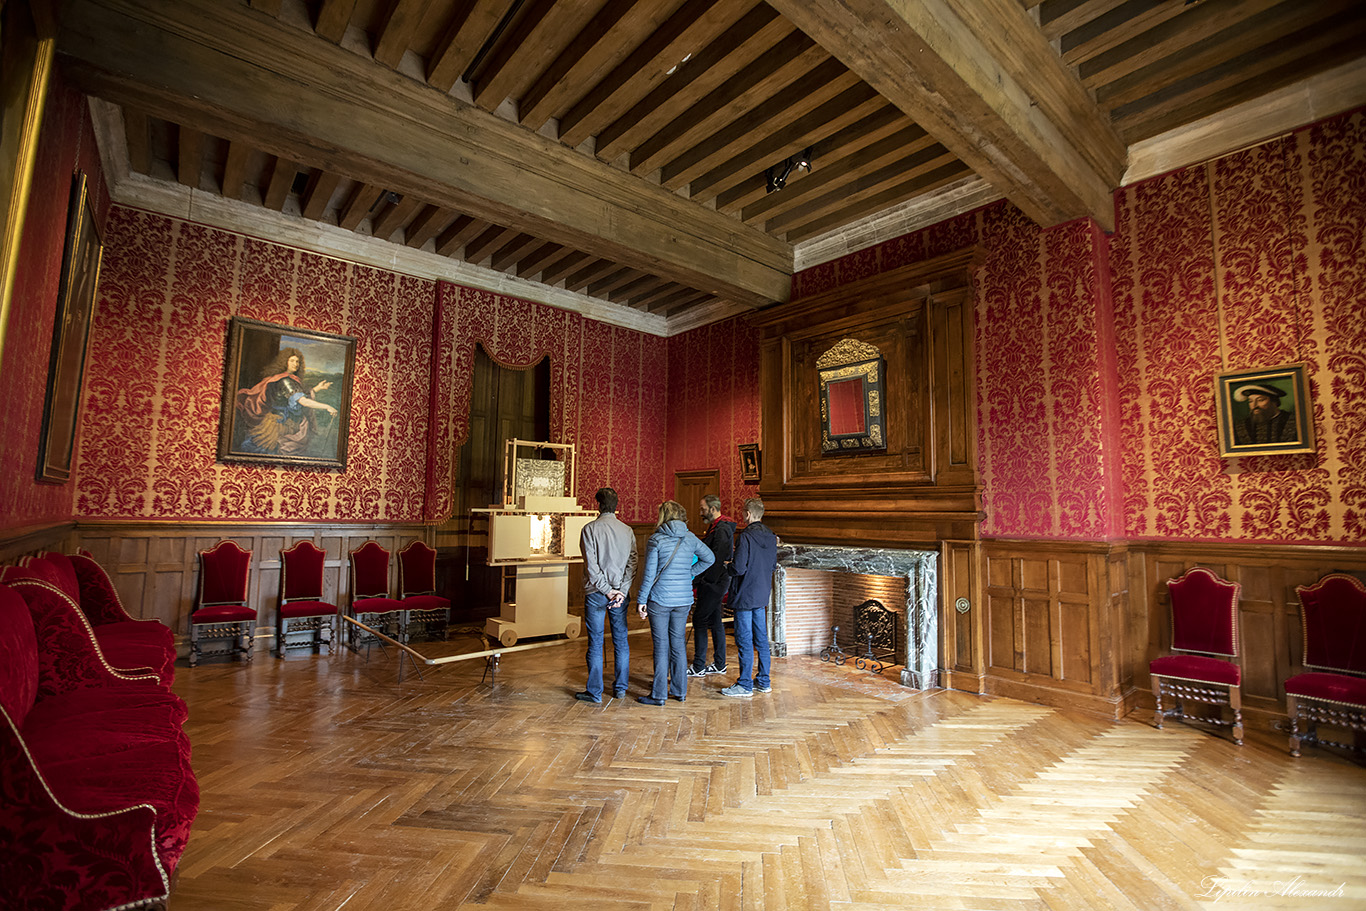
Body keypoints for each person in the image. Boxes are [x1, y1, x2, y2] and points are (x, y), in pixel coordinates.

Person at [634, 500, 713, 706]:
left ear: (663, 516)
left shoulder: (656, 539)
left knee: (661, 646)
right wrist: (689, 575)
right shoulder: (691, 538)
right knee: (678, 644)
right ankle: (680, 691)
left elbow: (649, 574)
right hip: (683, 599)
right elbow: (710, 558)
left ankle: (659, 695)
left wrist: (641, 600)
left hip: (659, 599)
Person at [576, 487, 638, 703]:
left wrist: (608, 590)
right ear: (616, 506)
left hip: (596, 593)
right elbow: (632, 563)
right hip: (620, 594)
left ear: (598, 505)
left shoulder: (589, 529)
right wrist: (620, 590)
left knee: (595, 642)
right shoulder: (627, 530)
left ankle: (594, 692)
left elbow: (592, 568)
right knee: (621, 640)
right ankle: (620, 689)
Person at [722, 498, 778, 698]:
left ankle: (745, 684)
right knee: (761, 640)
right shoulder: (772, 537)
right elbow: (772, 566)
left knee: (744, 640)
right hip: (762, 594)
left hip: (745, 594)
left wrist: (728, 565)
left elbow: (739, 568)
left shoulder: (745, 536)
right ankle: (763, 681)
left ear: (747, 513)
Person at [236, 348, 338, 455]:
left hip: (289, 421)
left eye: (297, 361)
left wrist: (317, 388)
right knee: (269, 451)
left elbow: (297, 396)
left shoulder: (290, 379)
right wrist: (326, 406)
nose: (295, 364)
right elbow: (302, 400)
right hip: (279, 423)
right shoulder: (285, 380)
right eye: (292, 361)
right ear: (285, 362)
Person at [688, 495, 734, 677]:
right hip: (714, 582)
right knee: (715, 622)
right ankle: (719, 664)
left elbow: (715, 560)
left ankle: (699, 666)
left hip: (714, 582)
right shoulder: (718, 527)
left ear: (713, 509)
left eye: (703, 509)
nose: (701, 513)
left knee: (699, 620)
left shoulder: (721, 530)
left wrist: (702, 580)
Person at [1232, 383, 1298, 446]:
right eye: (1250, 401)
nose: (1254, 406)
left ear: (1274, 401)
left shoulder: (1294, 422)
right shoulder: (1241, 426)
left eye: (1260, 400)